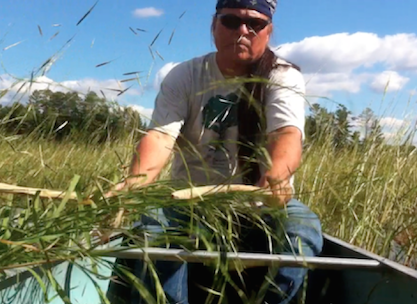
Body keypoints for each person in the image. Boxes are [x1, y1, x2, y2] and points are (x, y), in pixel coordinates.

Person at [110, 0, 323, 303]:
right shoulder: (186, 75)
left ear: (269, 30)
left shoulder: (282, 76)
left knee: (303, 229)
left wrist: (277, 173)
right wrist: (136, 181)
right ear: (214, 26)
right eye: (231, 21)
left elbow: (286, 134)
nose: (243, 31)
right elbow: (160, 136)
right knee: (152, 223)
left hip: (259, 204)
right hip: (187, 201)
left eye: (255, 24)